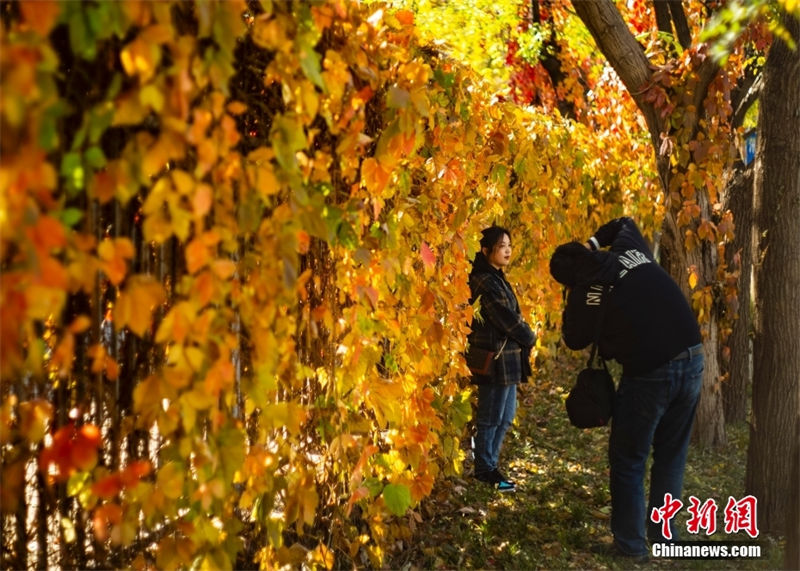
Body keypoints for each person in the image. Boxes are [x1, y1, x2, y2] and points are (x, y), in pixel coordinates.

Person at [549, 217, 703, 560]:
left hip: (651, 370)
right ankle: (665, 539)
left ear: (569, 282)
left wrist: (573, 296)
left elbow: (573, 338)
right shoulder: (628, 247)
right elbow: (623, 222)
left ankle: (631, 546)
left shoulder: (585, 294)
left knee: (629, 458)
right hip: (693, 355)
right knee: (671, 455)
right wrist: (592, 243)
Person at [467, 226, 536, 492]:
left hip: (507, 359)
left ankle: (491, 465)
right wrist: (529, 336)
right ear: (486, 250)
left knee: (506, 416)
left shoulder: (497, 278)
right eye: (501, 246)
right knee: (490, 417)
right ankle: (485, 470)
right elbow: (505, 318)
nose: (507, 250)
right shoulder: (483, 281)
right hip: (495, 359)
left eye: (509, 245)